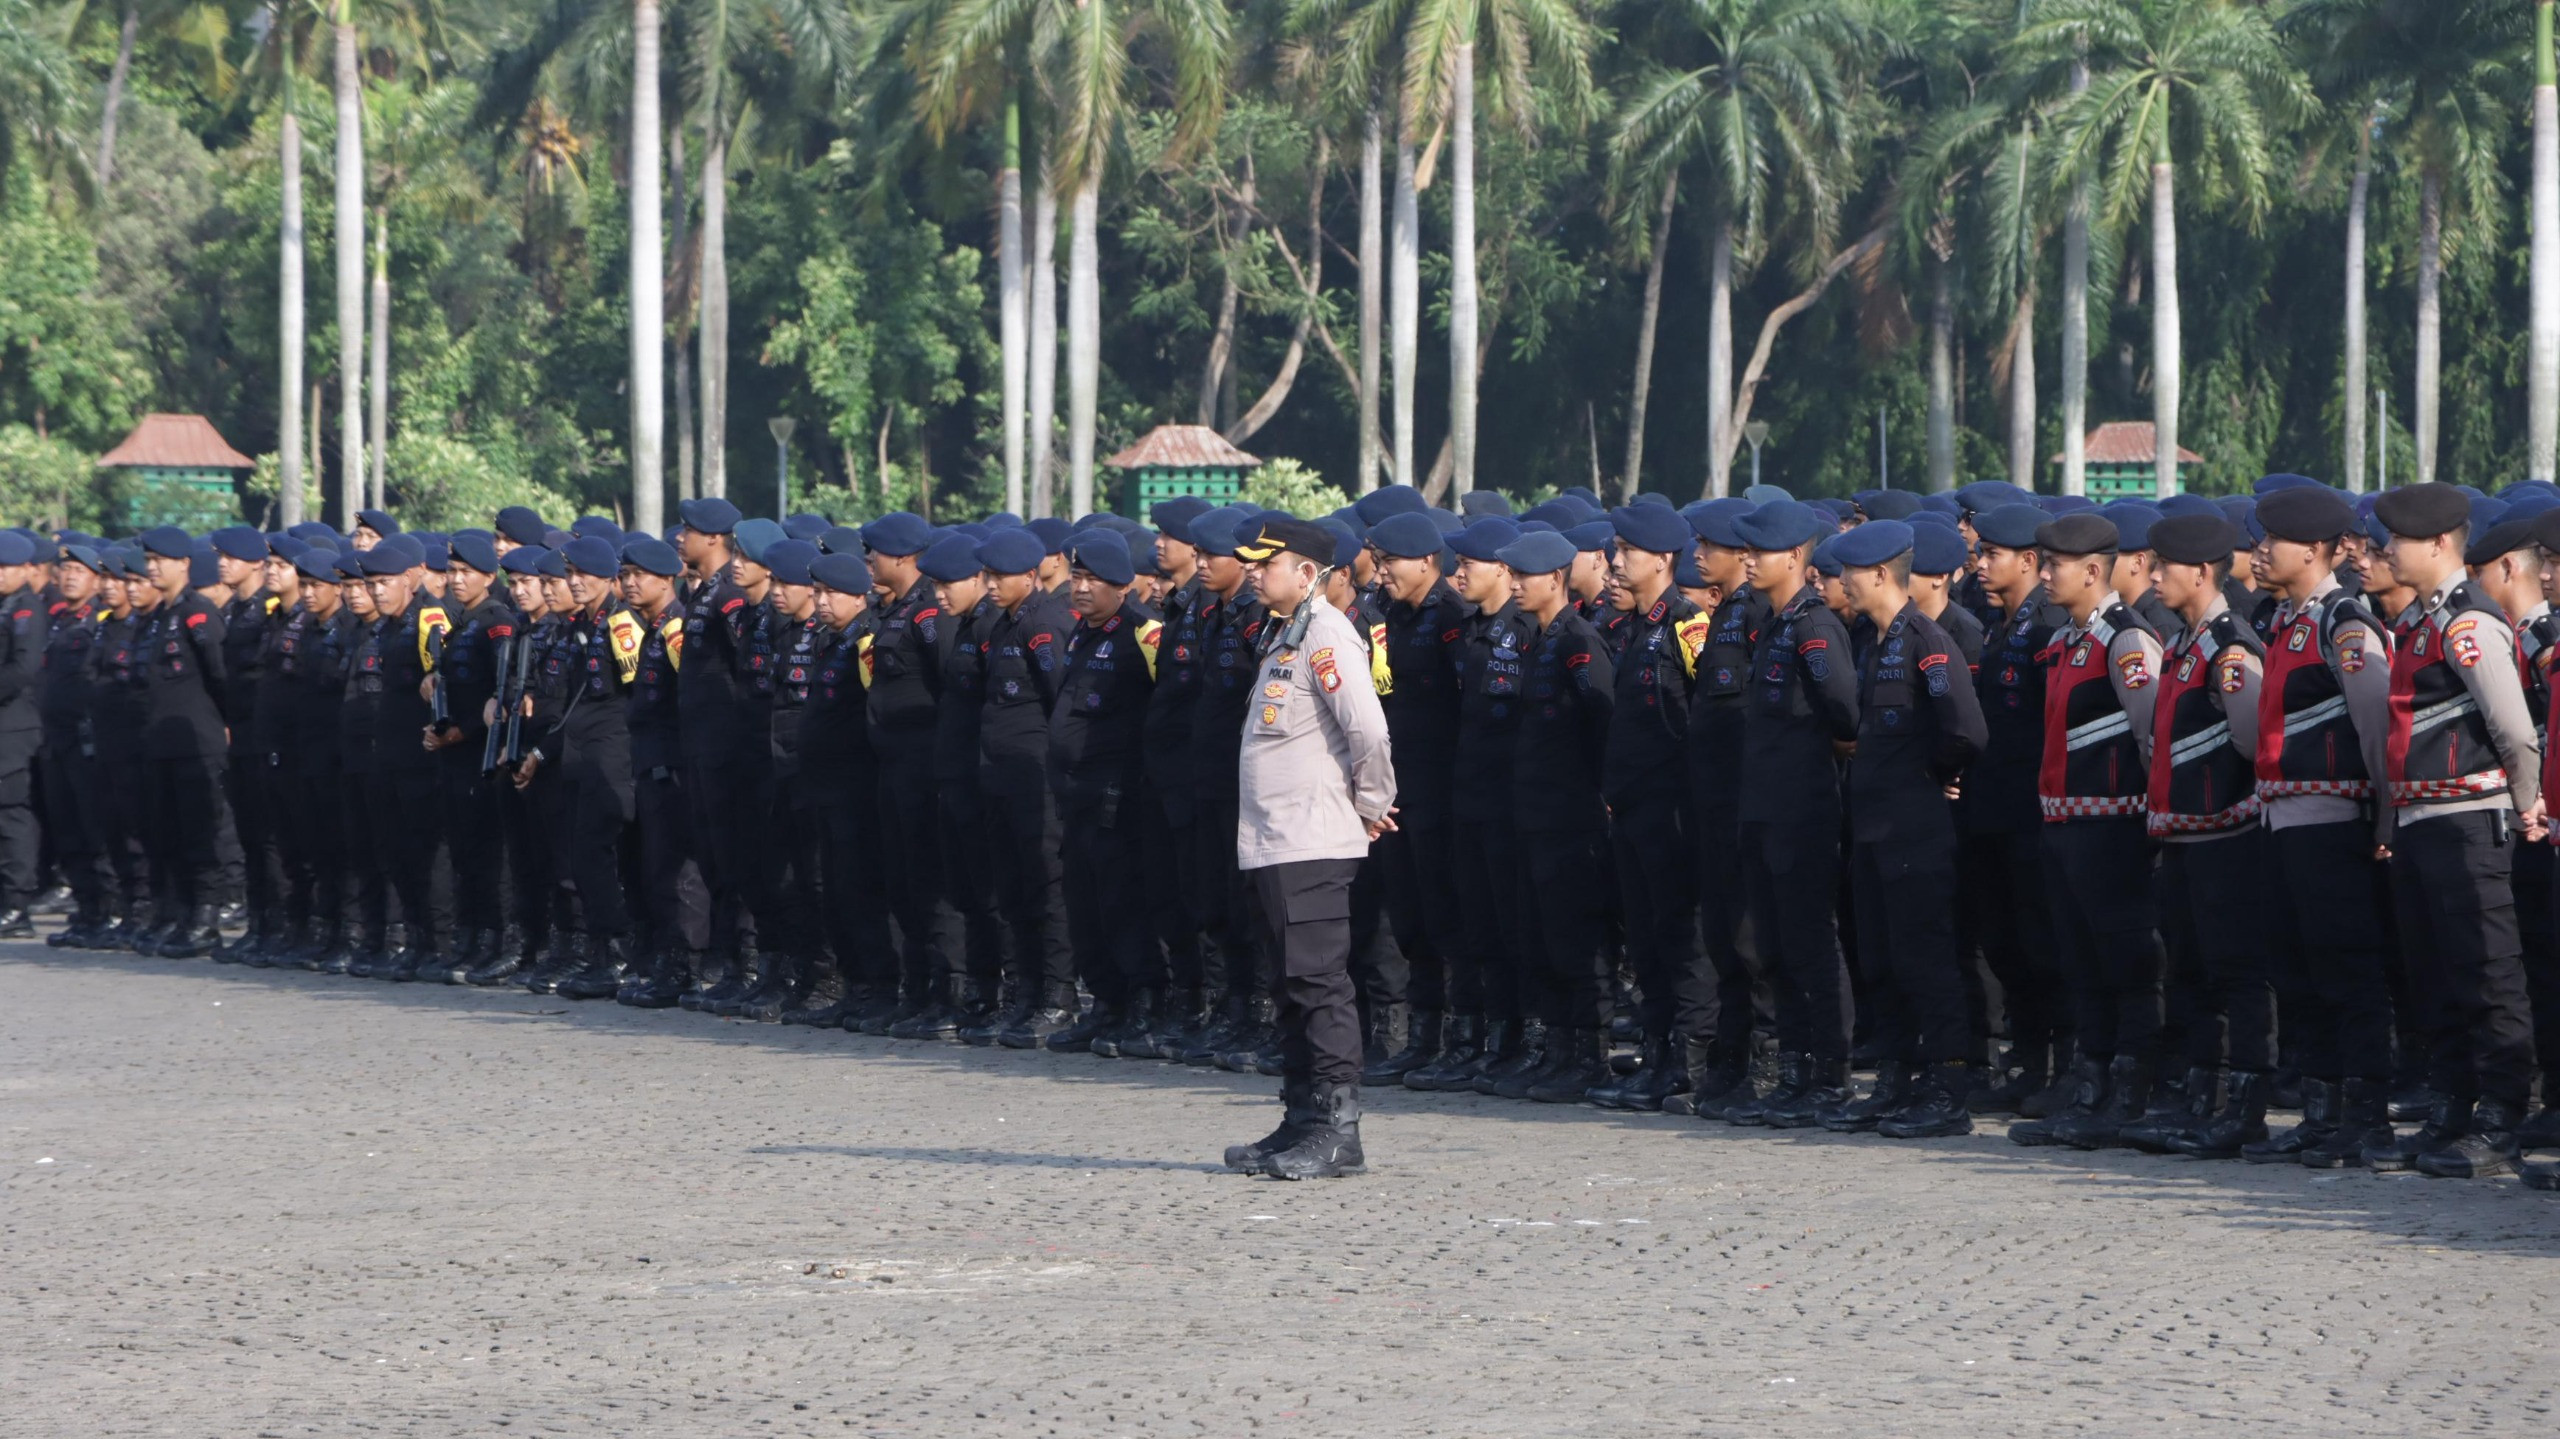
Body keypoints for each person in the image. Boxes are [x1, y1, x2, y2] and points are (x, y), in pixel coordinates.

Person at [2365, 482, 2544, 1178]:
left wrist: (2528, 807)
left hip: (2471, 821)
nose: (2385, 553)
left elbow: (2512, 730)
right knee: (2434, 975)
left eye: (2396, 541)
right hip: (2420, 822)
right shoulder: (2418, 623)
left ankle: (2500, 1115)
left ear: (2439, 544)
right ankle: (2452, 1104)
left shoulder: (2467, 624)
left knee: (2486, 971)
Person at [1221, 514, 1397, 1180]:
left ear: (1308, 573)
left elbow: (1369, 733)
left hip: (1311, 839)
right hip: (1272, 840)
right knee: (1290, 985)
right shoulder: (1281, 634)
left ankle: (1337, 1128)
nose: (1255, 572)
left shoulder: (1326, 635)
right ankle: (1300, 1117)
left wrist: (1371, 806)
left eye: (1267, 563)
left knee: (1319, 985)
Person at [2241, 486, 2400, 1166]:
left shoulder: (2345, 621)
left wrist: (2385, 816)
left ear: (2309, 551)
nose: (2257, 551)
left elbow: (2375, 729)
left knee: (2346, 970)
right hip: (2283, 819)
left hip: (2334, 821)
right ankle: (2320, 1108)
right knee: (2297, 969)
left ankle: (2366, 1115)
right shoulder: (2284, 620)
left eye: (2269, 540)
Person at [2008, 513, 2168, 1151]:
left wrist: (2153, 824)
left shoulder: (2126, 641)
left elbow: (2152, 738)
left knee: (2124, 963)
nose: (2045, 576)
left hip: (2114, 828)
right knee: (2081, 964)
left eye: (2055, 566)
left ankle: (2128, 1092)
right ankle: (2089, 1084)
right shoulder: (2072, 639)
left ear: (2094, 571)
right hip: (2067, 826)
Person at [1826, 519, 1986, 1138]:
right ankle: (1894, 1082)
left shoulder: (1926, 639)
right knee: (1883, 960)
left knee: (1926, 960)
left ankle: (1947, 1087)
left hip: (1914, 829)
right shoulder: (1875, 639)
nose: (1841, 581)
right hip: (1872, 830)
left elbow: (1966, 731)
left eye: (1848, 572)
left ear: (1876, 575)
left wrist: (1932, 774)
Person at [2124, 513, 2271, 1159]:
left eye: (2164, 568)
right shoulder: (2185, 642)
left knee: (2235, 973)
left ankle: (2244, 1106)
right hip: (2183, 839)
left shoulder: (2228, 646)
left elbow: (2246, 741)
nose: (2153, 578)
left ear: (2201, 571)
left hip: (2226, 837)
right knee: (2190, 974)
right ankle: (2197, 1096)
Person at [1716, 500, 1859, 1128]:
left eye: (1760, 552)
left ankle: (1828, 1075)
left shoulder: (1814, 627)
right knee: (1772, 946)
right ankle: (1795, 1070)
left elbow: (1845, 715)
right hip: (1763, 810)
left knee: (1810, 946)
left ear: (1797, 557)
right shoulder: (1774, 624)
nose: (1748, 560)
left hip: (1802, 811)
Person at [1495, 528, 1618, 1104]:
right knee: (1541, 936)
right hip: (1534, 816)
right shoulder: (1538, 639)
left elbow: (1602, 722)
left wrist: (1597, 795)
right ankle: (1558, 1049)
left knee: (1576, 938)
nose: (1515, 585)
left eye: (1524, 576)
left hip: (1572, 819)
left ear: (1554, 580)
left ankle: (1587, 1056)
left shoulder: (1578, 641)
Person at [1590, 503, 1704, 1110]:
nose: (1615, 561)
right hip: (1633, 808)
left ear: (1661, 559)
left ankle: (1686, 1063)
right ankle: (1657, 1059)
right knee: (1648, 939)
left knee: (1678, 935)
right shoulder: (1636, 626)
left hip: (1672, 811)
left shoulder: (1687, 625)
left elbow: (1697, 723)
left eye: (1627, 551)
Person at [1047, 531, 1163, 1051]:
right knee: (1084, 902)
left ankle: (1143, 1003)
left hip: (1118, 796)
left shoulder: (1143, 634)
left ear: (1121, 585)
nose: (1081, 587)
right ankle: (1106, 1003)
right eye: (1076, 577)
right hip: (1076, 795)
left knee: (1122, 902)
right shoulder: (1081, 634)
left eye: (1093, 579)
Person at [1363, 511, 1466, 1081]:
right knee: (1410, 916)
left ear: (1427, 561)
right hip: (1401, 789)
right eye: (1377, 563)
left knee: (1444, 916)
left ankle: (1453, 1035)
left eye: (1390, 563)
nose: (1381, 575)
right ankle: (1421, 1036)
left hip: (1440, 788)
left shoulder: (1449, 616)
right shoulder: (1395, 615)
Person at [976, 528, 1075, 1044]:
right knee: (1011, 887)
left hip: (1036, 778)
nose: (990, 585)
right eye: (987, 575)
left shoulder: (1046, 624)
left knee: (1045, 885)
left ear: (1031, 576)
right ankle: (1025, 991)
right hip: (1000, 775)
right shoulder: (1003, 623)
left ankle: (1058, 996)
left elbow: (1062, 699)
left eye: (1000, 576)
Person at [133, 526, 228, 957]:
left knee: (199, 832)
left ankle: (206, 918)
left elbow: (219, 674)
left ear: (184, 564)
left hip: (196, 741)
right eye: (148, 560)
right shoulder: (156, 617)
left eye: (159, 560)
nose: (151, 567)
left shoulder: (197, 611)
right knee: (165, 833)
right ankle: (179, 913)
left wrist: (224, 724)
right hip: (160, 743)